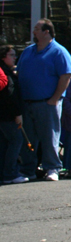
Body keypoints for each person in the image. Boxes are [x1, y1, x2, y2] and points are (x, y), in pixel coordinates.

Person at [17, 18, 71, 182]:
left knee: (49, 137)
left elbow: (66, 76)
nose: (33, 31)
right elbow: (19, 73)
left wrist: (55, 99)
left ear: (46, 32)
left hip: (47, 103)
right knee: (28, 139)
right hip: (27, 102)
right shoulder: (28, 51)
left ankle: (52, 168)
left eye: (36, 28)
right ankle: (28, 169)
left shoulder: (58, 51)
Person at [0, 45, 27, 184]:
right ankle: (10, 173)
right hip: (8, 115)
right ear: (3, 56)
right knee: (16, 141)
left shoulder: (6, 71)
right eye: (11, 55)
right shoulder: (4, 73)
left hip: (3, 115)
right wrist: (17, 113)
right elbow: (10, 95)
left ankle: (5, 174)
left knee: (5, 144)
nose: (15, 57)